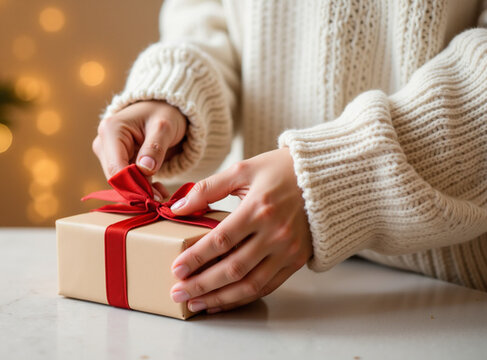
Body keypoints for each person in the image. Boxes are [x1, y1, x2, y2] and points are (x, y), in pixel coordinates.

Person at [93, 0, 487, 314]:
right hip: (264, 269)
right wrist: (174, 95)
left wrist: (330, 181)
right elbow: (209, 15)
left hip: (455, 299)